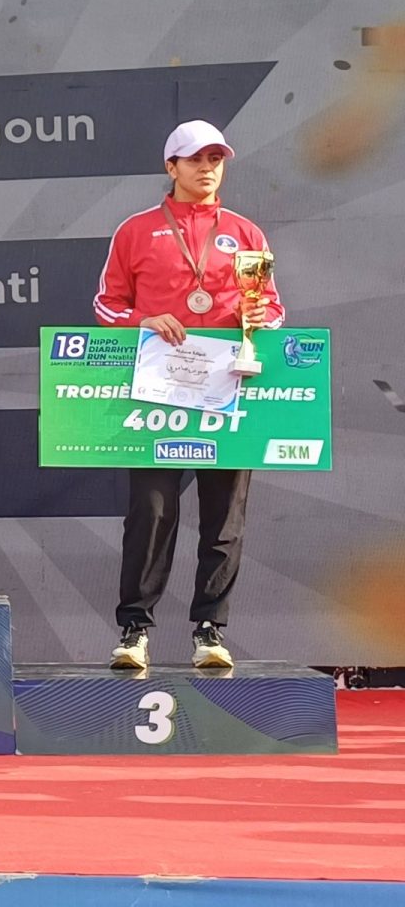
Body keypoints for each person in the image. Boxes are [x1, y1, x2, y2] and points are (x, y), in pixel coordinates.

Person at [93, 120, 284, 670]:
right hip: (158, 392)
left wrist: (258, 318)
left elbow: (273, 307)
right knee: (151, 513)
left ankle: (210, 630)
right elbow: (106, 305)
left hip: (228, 390)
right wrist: (142, 319)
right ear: (171, 166)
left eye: (216, 159)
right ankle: (134, 628)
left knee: (225, 517)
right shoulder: (136, 230)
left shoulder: (246, 233)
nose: (207, 168)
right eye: (196, 159)